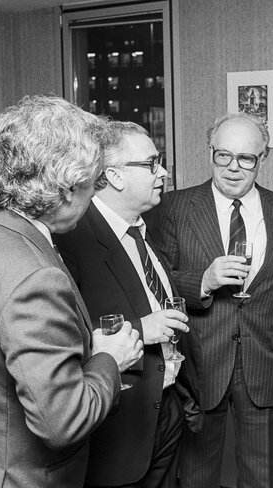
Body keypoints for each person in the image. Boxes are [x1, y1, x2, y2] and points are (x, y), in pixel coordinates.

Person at [0, 95, 143, 487]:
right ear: (67, 187)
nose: (95, 195)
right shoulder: (35, 277)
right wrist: (107, 358)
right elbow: (63, 421)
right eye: (94, 184)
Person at [146, 112, 273, 488]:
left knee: (259, 477)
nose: (233, 168)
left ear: (262, 159)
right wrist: (203, 280)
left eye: (246, 159)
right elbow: (156, 283)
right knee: (197, 477)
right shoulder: (174, 206)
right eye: (224, 156)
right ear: (210, 153)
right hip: (200, 364)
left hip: (264, 361)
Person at [54, 121, 202, 488]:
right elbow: (58, 338)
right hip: (118, 427)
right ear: (115, 176)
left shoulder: (143, 226)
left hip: (165, 409)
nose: (163, 172)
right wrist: (141, 328)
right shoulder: (72, 238)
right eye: (152, 163)